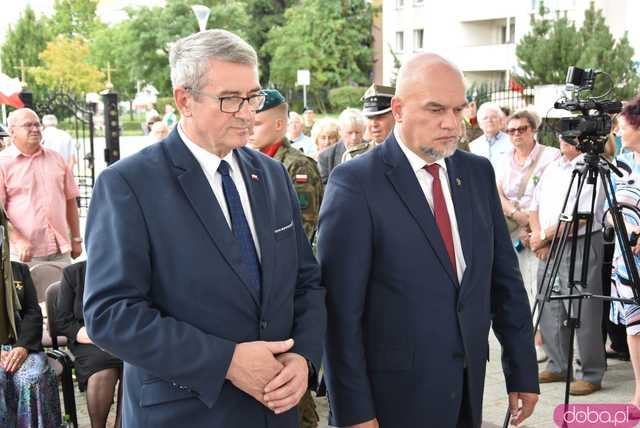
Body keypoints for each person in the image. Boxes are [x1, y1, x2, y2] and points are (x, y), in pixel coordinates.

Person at [82, 29, 326, 428]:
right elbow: (111, 314)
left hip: (276, 411)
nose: (249, 113)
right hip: (185, 413)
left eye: (254, 97)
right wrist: (225, 361)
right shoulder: (129, 184)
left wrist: (303, 357)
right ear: (184, 100)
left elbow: (305, 281)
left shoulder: (272, 175)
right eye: (231, 99)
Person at [319, 53, 539, 428]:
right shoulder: (356, 183)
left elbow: (504, 281)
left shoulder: (476, 173)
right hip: (392, 402)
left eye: (458, 109)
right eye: (436, 109)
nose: (451, 123)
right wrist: (354, 412)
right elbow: (339, 314)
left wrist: (522, 369)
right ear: (399, 109)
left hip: (467, 391)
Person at [248, 89, 323, 428]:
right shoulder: (247, 164)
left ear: (279, 123)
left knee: (292, 400)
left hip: (284, 296)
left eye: (259, 120)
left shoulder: (296, 167)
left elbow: (301, 237)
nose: (250, 124)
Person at [528, 135, 606, 396]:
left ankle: (590, 373)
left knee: (582, 307)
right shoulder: (552, 164)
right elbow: (533, 203)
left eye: (571, 132)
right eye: (562, 132)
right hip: (548, 244)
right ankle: (558, 364)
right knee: (549, 303)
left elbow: (581, 217)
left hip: (580, 242)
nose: (563, 138)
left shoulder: (593, 166)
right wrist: (539, 237)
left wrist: (543, 237)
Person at [0, 209, 62, 428]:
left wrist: (22, 347)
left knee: (33, 377)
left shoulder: (19, 270)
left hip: (20, 346)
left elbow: (33, 313)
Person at [0, 108, 82, 264]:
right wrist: (18, 239)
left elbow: (70, 200)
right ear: (12, 132)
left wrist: (76, 238)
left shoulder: (56, 158)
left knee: (61, 289)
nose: (35, 129)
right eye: (28, 125)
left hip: (60, 251)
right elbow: (0, 212)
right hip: (23, 254)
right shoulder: (2, 163)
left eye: (37, 125)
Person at [249, 89, 323, 243]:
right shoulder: (250, 161)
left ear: (279, 124)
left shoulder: (299, 166)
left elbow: (303, 228)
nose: (249, 130)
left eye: (256, 124)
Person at [57, 261, 123, 428]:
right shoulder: (72, 273)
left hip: (122, 336)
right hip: (86, 339)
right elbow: (63, 321)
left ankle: (122, 424)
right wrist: (97, 337)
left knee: (134, 366)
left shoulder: (126, 268)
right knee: (102, 368)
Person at [609, 94, 640, 407]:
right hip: (626, 258)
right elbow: (608, 207)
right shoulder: (622, 163)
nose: (617, 132)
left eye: (621, 125)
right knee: (635, 325)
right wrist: (623, 227)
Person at [468, 102, 511, 176]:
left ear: (500, 121)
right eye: (485, 118)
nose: (489, 120)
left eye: (493, 117)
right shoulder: (472, 146)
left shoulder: (511, 143)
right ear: (480, 124)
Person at [357, 84, 396, 156]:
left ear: (396, 115)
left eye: (380, 117)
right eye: (370, 118)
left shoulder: (414, 154)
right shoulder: (355, 156)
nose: (374, 124)